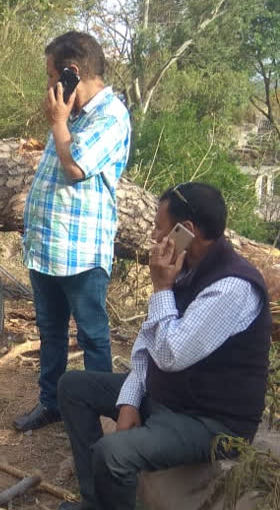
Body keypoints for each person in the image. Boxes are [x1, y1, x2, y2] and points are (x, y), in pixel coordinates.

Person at [57, 182, 272, 510]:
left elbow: (172, 355)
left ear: (186, 230)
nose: (154, 237)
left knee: (113, 454)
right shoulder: (187, 268)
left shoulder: (232, 287)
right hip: (172, 398)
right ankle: (95, 503)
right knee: (73, 386)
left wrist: (161, 288)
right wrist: (129, 401)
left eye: (159, 228)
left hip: (210, 421)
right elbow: (148, 342)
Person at [14, 31, 132, 432]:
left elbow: (76, 167)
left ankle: (99, 418)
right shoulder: (73, 114)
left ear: (72, 71)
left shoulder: (111, 116)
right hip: (47, 249)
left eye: (52, 76)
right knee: (50, 334)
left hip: (81, 254)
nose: (50, 86)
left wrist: (59, 122)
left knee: (93, 338)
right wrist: (62, 120)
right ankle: (52, 404)